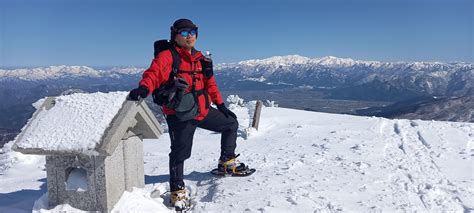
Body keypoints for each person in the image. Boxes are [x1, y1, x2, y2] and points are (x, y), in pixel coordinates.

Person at [128, 18, 250, 209]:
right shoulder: (168, 56)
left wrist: (221, 104)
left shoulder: (201, 58)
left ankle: (227, 161)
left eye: (192, 32)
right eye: (184, 33)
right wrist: (144, 89)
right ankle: (177, 191)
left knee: (230, 124)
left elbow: (210, 83)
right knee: (180, 152)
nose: (189, 36)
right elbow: (152, 74)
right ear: (175, 35)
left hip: (202, 110)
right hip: (180, 115)